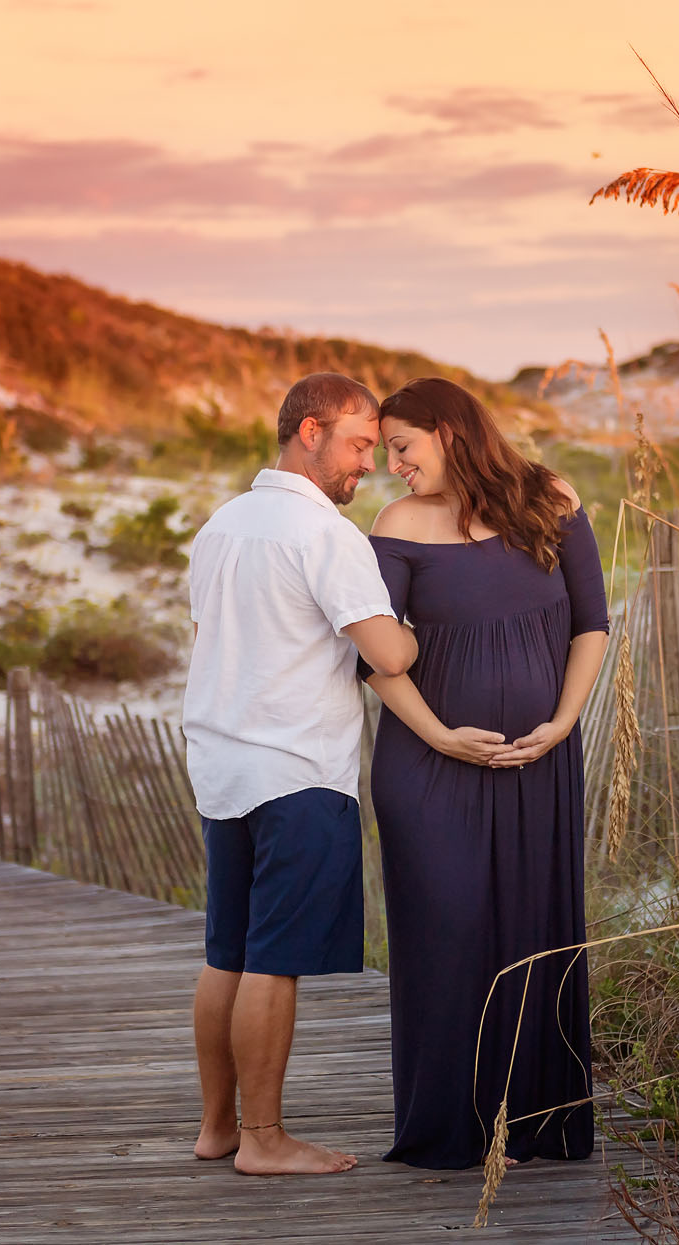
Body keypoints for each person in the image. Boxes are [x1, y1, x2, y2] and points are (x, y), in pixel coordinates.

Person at [361, 376, 610, 1171]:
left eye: (402, 445)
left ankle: (535, 1124)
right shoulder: (397, 523)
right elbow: (375, 658)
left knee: (534, 933)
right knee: (450, 932)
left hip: (539, 761)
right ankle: (451, 1129)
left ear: (450, 430)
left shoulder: (548, 497)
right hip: (429, 770)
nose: (391, 464)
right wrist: (442, 737)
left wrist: (562, 723)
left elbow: (592, 624)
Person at [183, 372, 418, 1176]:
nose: (368, 466)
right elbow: (387, 653)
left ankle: (217, 1127)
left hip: (222, 762)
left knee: (229, 952)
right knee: (273, 960)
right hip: (296, 768)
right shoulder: (324, 534)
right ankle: (264, 1138)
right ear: (309, 431)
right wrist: (410, 639)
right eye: (358, 444)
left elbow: (221, 631)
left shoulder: (223, 523)